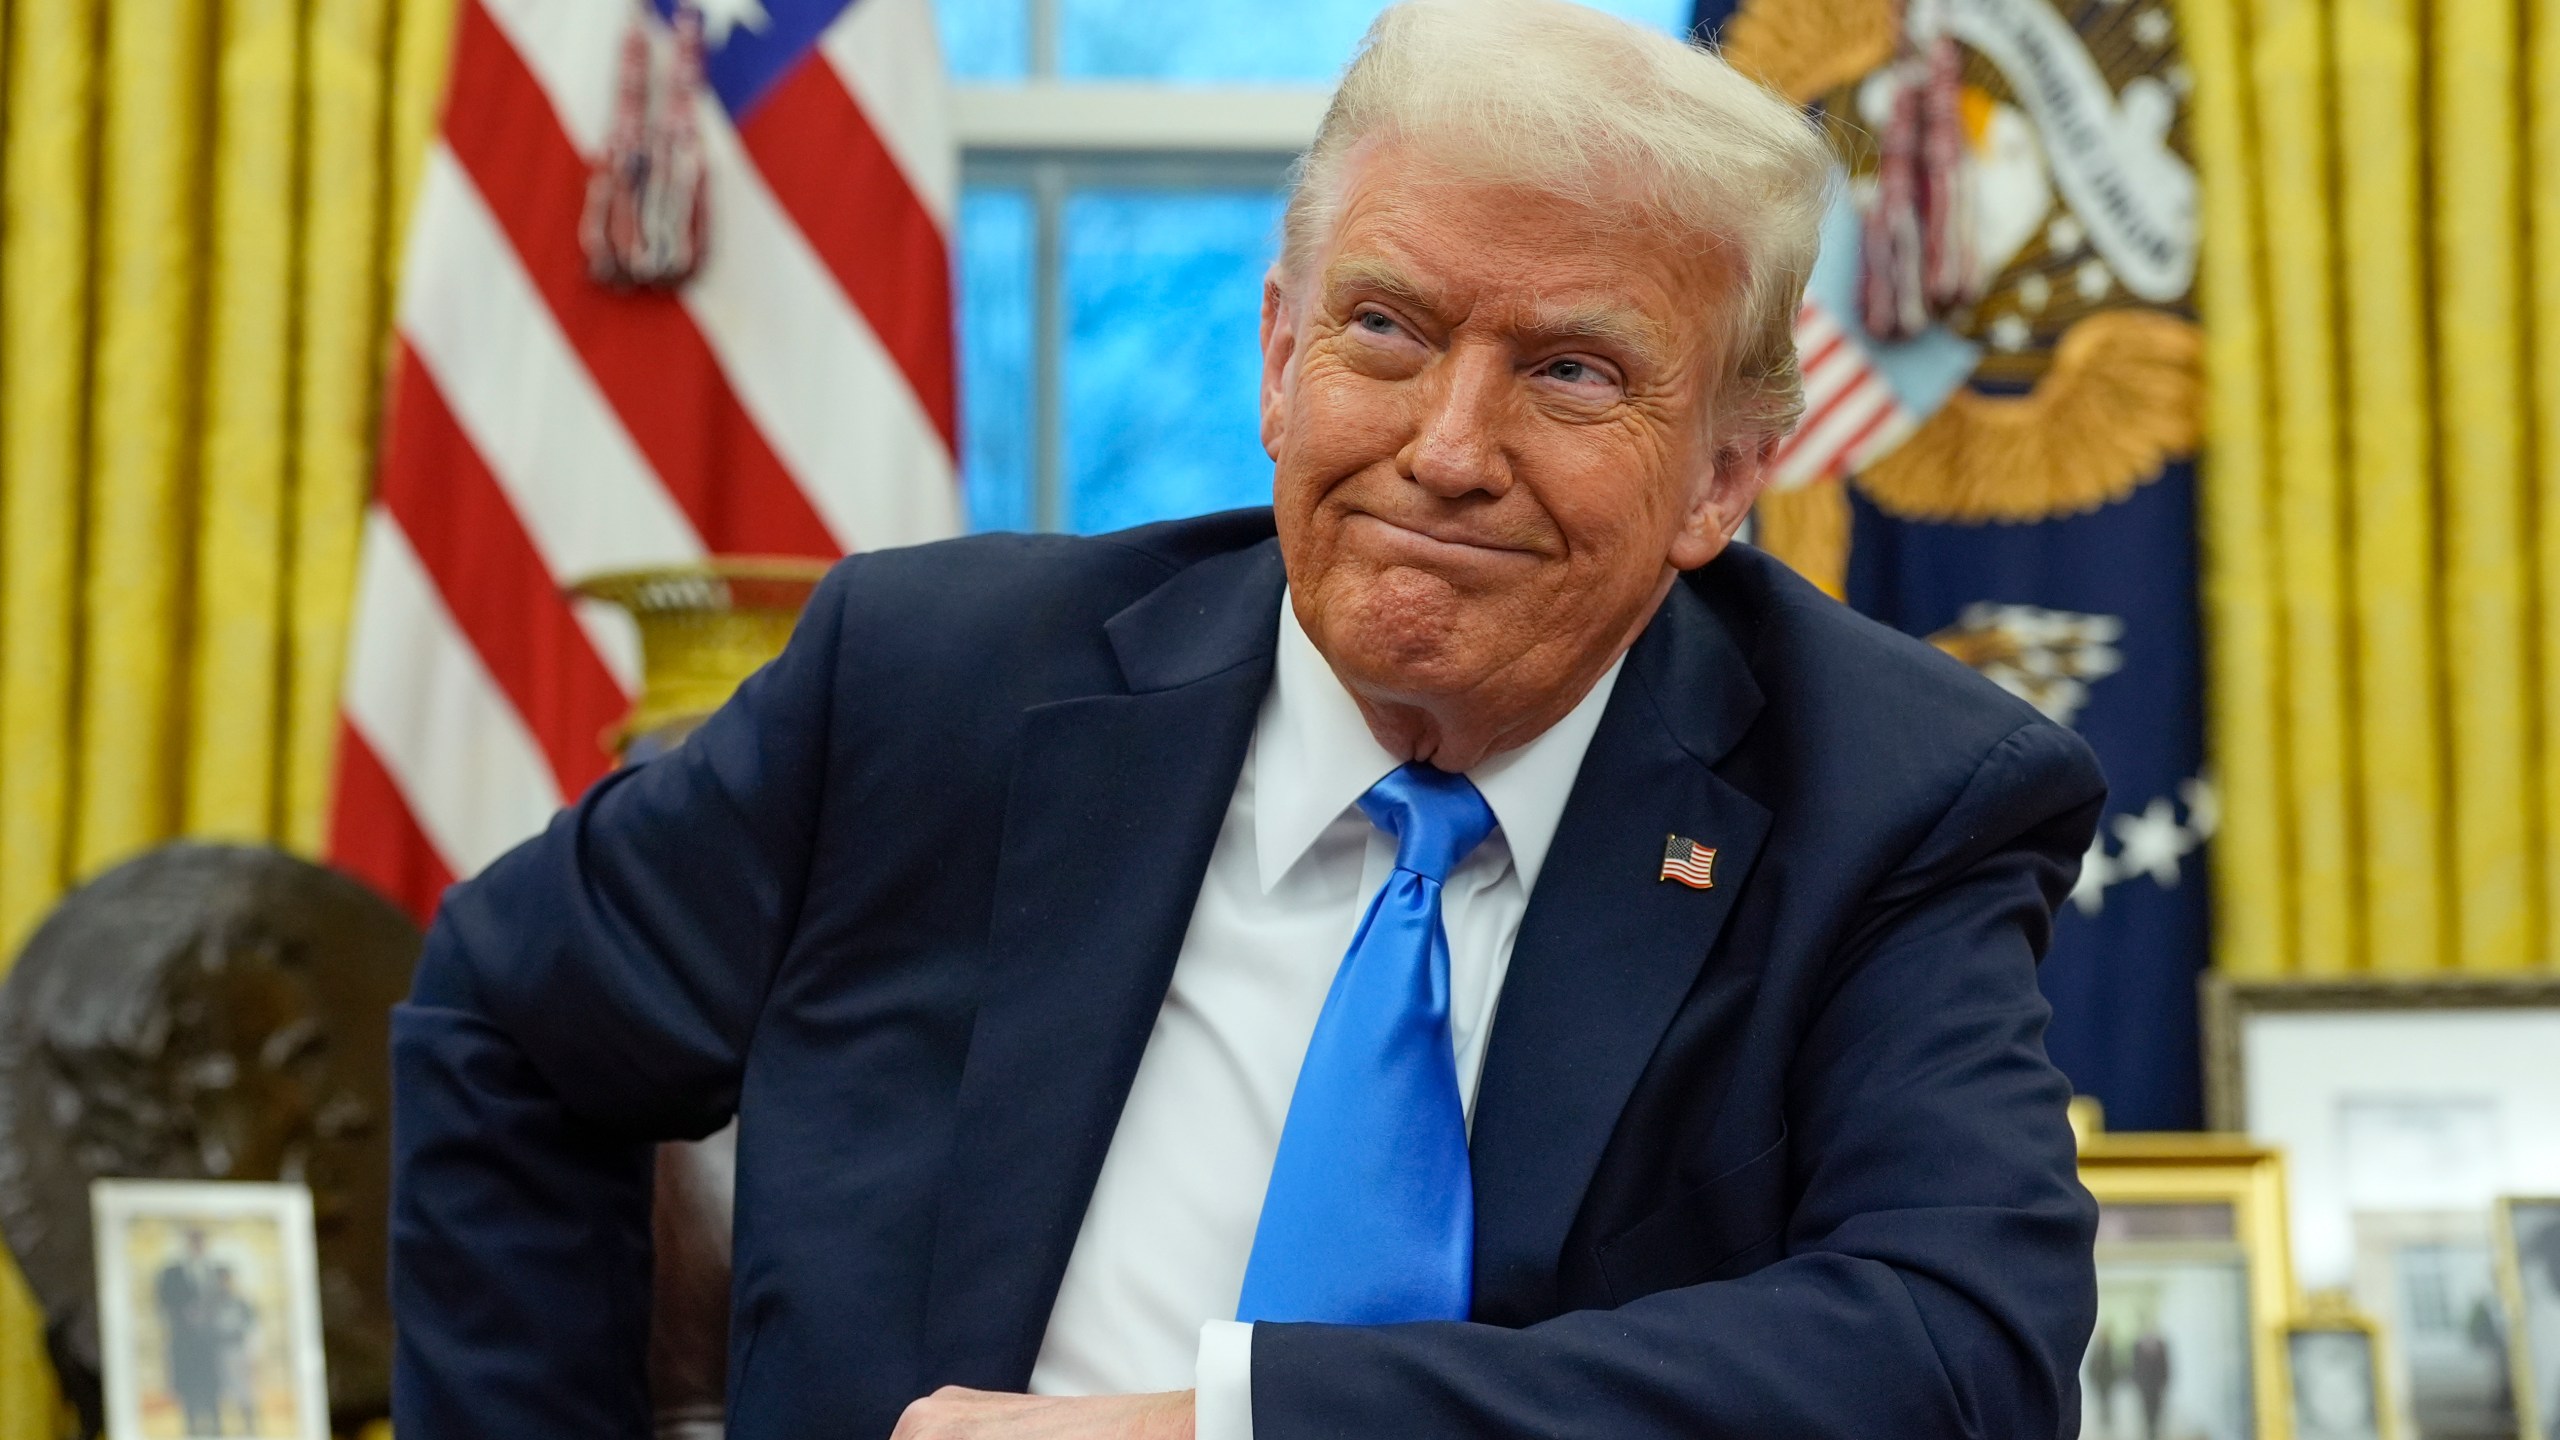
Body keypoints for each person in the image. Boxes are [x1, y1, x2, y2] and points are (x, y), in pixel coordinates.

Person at [388, 1, 2104, 1436]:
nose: (1446, 445)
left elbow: (1960, 1349)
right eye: (1384, 328)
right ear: (1279, 357)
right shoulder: (936, 686)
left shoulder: (1893, 795)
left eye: (1572, 370)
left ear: (1727, 471)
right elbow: (505, 1024)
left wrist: (1233, 1424)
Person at [154, 1230, 221, 1436]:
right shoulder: (172, 1272)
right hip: (184, 1339)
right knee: (188, 1386)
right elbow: (163, 1300)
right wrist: (185, 1314)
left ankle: (216, 1428)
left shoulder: (212, 1271)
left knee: (212, 1386)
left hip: (210, 1341)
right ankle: (191, 1427)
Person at [207, 1266, 259, 1437]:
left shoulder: (240, 1302)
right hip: (218, 1350)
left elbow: (250, 1325)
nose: (223, 1284)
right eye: (220, 1280)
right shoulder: (212, 1302)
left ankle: (248, 1428)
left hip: (237, 1350)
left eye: (226, 1279)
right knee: (220, 1389)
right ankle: (219, 1429)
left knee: (243, 1390)